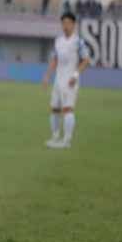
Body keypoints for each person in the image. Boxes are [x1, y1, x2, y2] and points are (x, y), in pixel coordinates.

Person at [42, 12, 92, 149]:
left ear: (73, 24)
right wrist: (47, 76)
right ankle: (55, 136)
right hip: (58, 80)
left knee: (68, 109)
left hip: (70, 80)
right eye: (63, 23)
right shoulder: (58, 40)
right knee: (54, 109)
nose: (65, 26)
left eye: (68, 23)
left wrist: (75, 75)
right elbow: (54, 59)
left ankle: (67, 140)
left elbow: (86, 60)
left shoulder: (78, 42)